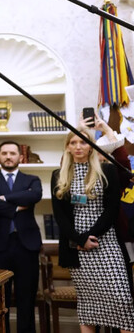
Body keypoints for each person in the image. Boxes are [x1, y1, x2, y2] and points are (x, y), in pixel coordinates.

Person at [51, 129, 134, 333]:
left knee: (122, 299)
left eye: (83, 142)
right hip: (76, 247)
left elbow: (112, 209)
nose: (78, 147)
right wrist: (79, 239)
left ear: (92, 146)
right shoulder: (58, 175)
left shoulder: (107, 171)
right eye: (73, 143)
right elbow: (59, 215)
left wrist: (91, 236)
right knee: (88, 305)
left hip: (106, 242)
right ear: (67, 148)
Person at [0, 141, 42, 333]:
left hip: (27, 246)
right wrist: (18, 205)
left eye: (12, 153)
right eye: (4, 153)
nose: (8, 156)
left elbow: (34, 196)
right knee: (1, 301)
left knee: (27, 299)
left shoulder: (32, 180)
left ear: (20, 157)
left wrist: (6, 199)